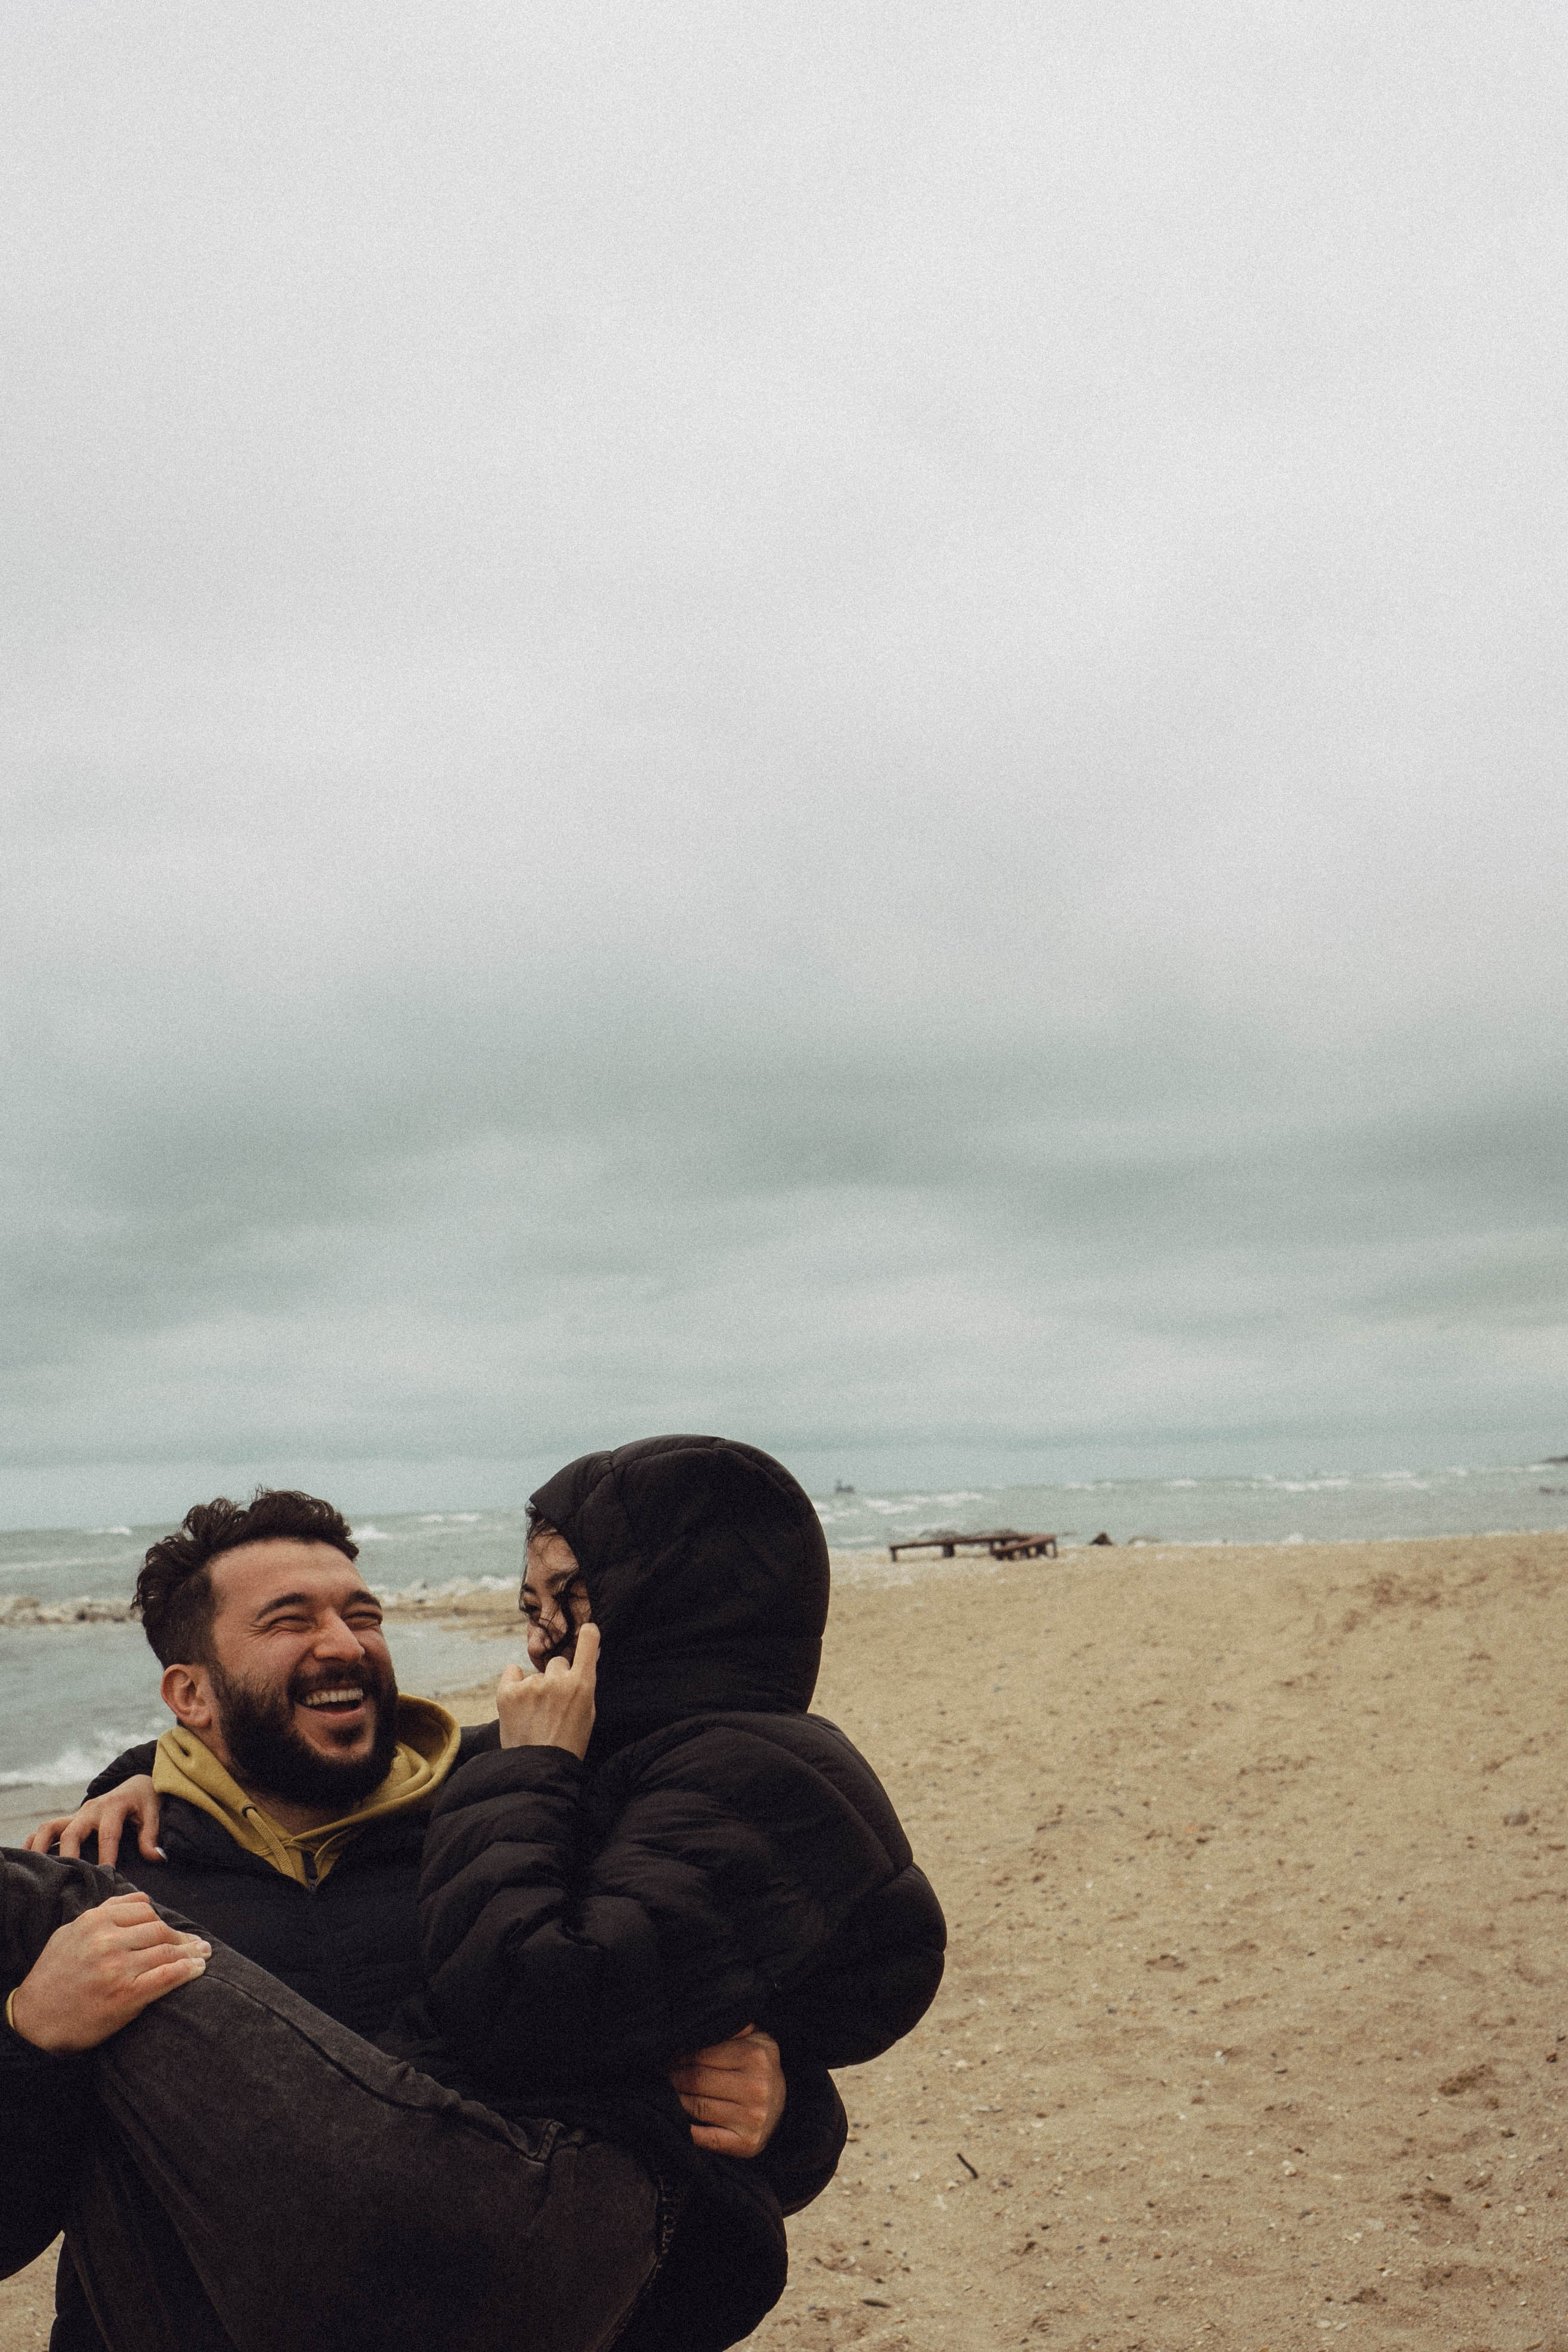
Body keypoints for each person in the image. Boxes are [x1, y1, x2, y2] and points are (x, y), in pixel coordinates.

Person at [3, 1490, 841, 2351]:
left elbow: (711, 2036)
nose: (344, 1642)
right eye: (290, 1622)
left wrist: (783, 2106)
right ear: (190, 1693)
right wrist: (32, 2037)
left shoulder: (515, 1835)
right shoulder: (101, 1887)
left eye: (362, 1614)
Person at [401, 1434, 948, 2347]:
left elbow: (531, 1999)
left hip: (603, 2261)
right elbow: (392, 1774)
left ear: (669, 1599)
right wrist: (166, 1776)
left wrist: (534, 1763)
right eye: (529, 1603)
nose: (537, 1639)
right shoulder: (613, 1740)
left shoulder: (753, 1770)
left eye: (569, 1597)